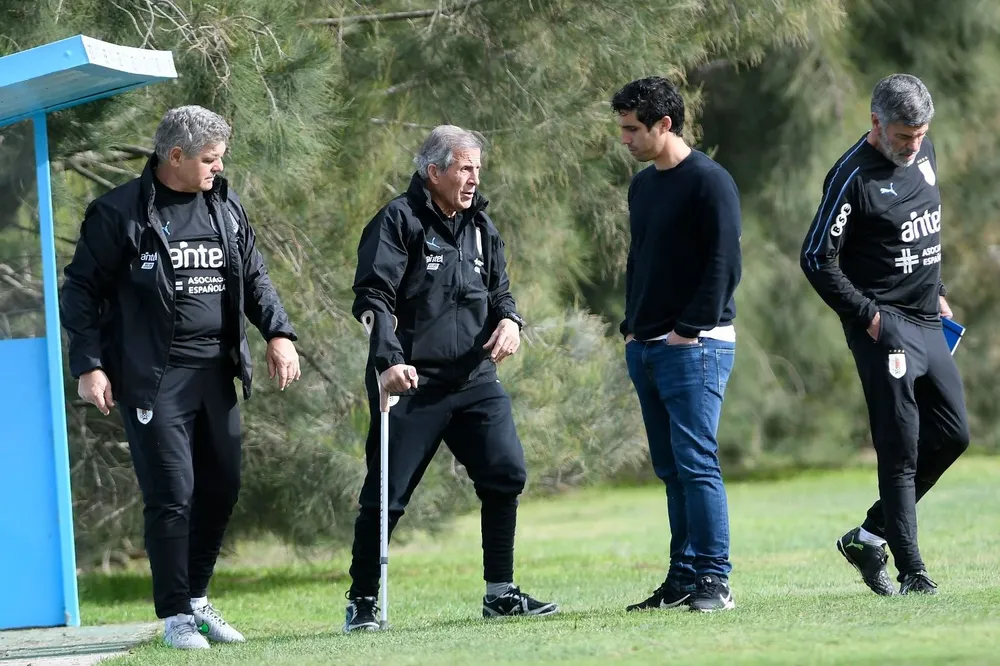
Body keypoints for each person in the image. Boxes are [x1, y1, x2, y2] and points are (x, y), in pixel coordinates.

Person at [60, 105, 301, 649]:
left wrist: (279, 334)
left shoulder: (226, 205)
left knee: (221, 488)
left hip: (217, 375)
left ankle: (196, 599)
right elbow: (79, 292)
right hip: (155, 378)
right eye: (209, 160)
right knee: (173, 493)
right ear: (175, 156)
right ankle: (174, 617)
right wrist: (89, 365)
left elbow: (255, 275)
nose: (218, 168)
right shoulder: (119, 212)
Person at [344, 124, 558, 631]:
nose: (473, 179)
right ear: (433, 171)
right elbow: (374, 298)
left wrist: (510, 320)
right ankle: (363, 600)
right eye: (464, 168)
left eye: (477, 169)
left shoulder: (482, 225)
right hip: (412, 383)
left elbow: (501, 291)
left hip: (476, 380)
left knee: (506, 473)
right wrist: (388, 362)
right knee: (386, 495)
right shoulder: (399, 220)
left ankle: (500, 592)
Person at [800, 73, 969, 596]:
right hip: (885, 327)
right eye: (902, 136)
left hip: (927, 320)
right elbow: (815, 257)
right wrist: (868, 316)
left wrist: (937, 288)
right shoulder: (851, 176)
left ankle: (870, 535)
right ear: (876, 123)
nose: (912, 145)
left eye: (919, 136)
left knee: (955, 435)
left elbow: (924, 225)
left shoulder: (925, 152)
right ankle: (913, 572)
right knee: (901, 448)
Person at [613, 77, 742, 613]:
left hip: (697, 346)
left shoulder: (710, 182)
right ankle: (683, 578)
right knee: (671, 469)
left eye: (632, 129)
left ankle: (715, 580)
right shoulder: (643, 186)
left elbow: (724, 265)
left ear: (665, 125)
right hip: (647, 345)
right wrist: (632, 326)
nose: (624, 139)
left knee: (696, 464)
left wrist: (687, 330)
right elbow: (639, 260)